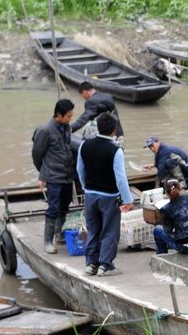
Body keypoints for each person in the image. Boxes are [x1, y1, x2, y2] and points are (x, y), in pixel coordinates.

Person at [76, 113, 134, 276]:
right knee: (109, 231)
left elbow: (80, 170)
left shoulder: (84, 145)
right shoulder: (116, 150)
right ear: (114, 130)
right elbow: (121, 179)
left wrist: (85, 187)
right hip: (109, 197)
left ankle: (91, 264)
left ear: (98, 128)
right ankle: (106, 266)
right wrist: (128, 200)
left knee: (93, 230)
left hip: (90, 194)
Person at [32, 98, 76, 254]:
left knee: (65, 206)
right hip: (53, 176)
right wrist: (43, 175)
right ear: (59, 114)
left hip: (67, 175)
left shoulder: (67, 127)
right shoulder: (44, 130)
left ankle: (59, 234)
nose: (70, 118)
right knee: (53, 208)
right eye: (68, 115)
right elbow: (37, 155)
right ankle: (48, 241)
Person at [152, 179, 188, 255]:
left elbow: (168, 230)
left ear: (166, 193)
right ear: (179, 188)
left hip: (187, 248)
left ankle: (162, 257)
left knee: (157, 230)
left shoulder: (166, 209)